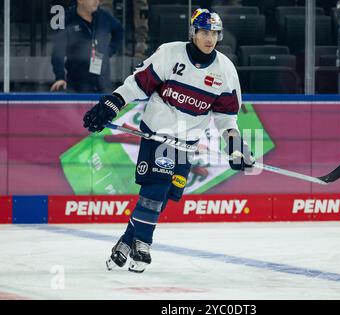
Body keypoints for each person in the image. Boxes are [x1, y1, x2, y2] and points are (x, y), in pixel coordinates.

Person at [82, 8, 254, 273]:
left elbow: (225, 118)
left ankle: (125, 242)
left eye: (214, 33)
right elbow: (137, 84)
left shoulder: (226, 72)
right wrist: (113, 103)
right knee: (154, 191)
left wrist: (235, 145)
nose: (209, 38)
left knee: (163, 197)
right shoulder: (170, 53)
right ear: (194, 33)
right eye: (204, 32)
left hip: (186, 145)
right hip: (158, 136)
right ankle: (143, 244)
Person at [50, 0, 124, 93]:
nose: (97, 1)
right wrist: (60, 77)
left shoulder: (104, 16)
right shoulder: (67, 20)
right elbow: (58, 52)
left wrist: (109, 50)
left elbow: (119, 31)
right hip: (77, 86)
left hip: (102, 85)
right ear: (80, 1)